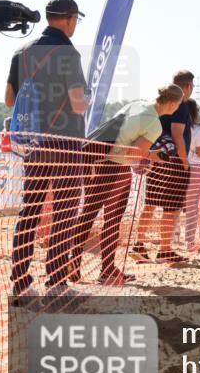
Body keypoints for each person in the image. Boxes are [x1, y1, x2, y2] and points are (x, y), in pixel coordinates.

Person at [4, 0, 88, 296]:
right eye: (77, 19)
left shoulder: (21, 52)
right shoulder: (68, 52)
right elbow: (79, 105)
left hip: (34, 144)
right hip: (65, 145)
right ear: (69, 18)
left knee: (31, 209)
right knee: (64, 212)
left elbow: (10, 101)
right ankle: (55, 282)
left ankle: (20, 282)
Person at [69, 85, 184, 284]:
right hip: (115, 167)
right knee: (112, 221)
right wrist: (153, 156)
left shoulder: (136, 105)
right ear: (173, 104)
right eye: (178, 105)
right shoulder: (154, 124)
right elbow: (133, 153)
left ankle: (72, 262)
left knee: (88, 213)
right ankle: (107, 270)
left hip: (94, 159)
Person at [135, 70, 195, 263]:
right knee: (171, 208)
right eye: (191, 86)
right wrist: (184, 160)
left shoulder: (162, 103)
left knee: (151, 203)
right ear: (187, 87)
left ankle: (139, 244)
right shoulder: (182, 105)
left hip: (156, 158)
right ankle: (165, 250)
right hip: (173, 160)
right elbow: (178, 134)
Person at [182, 100, 200, 250]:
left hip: (179, 166)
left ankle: (174, 236)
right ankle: (189, 240)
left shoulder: (176, 127)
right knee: (192, 205)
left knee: (176, 203)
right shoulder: (197, 129)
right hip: (195, 167)